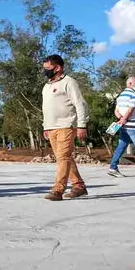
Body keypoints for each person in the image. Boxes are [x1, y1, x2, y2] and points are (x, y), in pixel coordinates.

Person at [41, 55, 89, 201]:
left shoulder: (69, 82)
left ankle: (58, 190)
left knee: (63, 157)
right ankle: (79, 186)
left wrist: (82, 125)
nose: (45, 72)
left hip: (66, 125)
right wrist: (45, 126)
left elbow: (80, 104)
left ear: (58, 68)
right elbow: (46, 108)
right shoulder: (46, 86)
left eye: (48, 69)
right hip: (51, 127)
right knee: (64, 158)